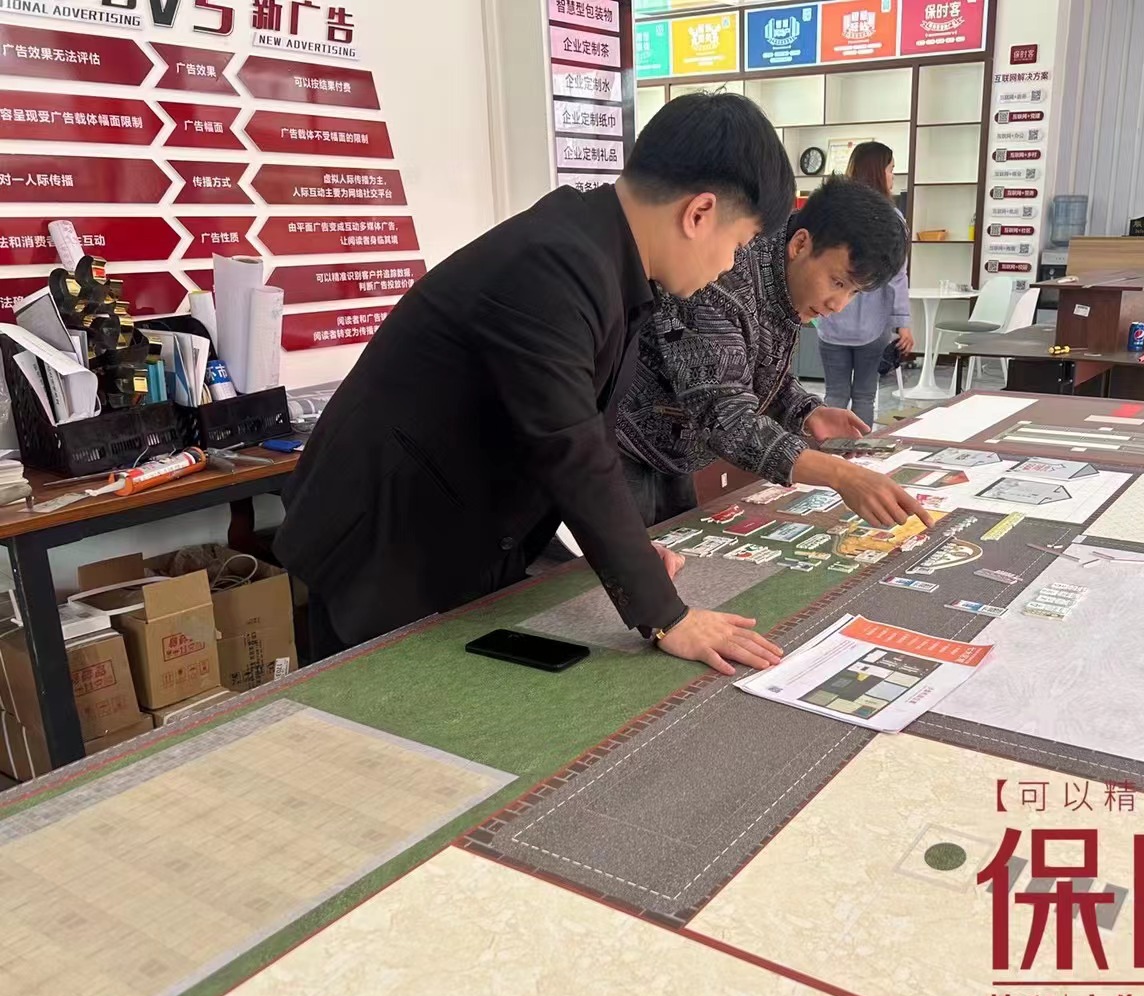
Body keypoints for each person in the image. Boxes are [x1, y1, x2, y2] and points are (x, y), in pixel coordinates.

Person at [273, 93, 797, 677]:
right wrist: (667, 616)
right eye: (739, 245)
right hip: (381, 541)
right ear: (699, 213)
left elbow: (583, 430)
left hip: (453, 533)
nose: (730, 265)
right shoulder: (556, 264)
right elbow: (570, 450)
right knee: (375, 708)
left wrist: (628, 552)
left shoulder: (601, 254)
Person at [618, 175, 932, 531]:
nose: (838, 304)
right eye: (838, 282)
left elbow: (753, 369)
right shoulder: (721, 278)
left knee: (676, 546)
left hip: (677, 449)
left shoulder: (784, 273)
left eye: (854, 292)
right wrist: (842, 475)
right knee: (629, 558)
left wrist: (806, 411)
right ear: (801, 244)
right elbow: (727, 419)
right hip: (626, 446)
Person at [814, 142, 913, 430]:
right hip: (873, 325)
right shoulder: (892, 220)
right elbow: (897, 276)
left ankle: (830, 449)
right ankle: (860, 450)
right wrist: (902, 323)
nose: (893, 176)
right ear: (878, 171)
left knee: (834, 393)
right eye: (891, 169)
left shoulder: (833, 213)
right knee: (864, 396)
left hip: (830, 319)